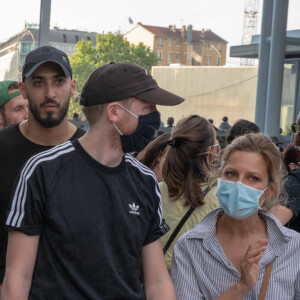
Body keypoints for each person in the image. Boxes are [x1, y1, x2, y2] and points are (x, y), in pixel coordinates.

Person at [2, 62, 184, 299]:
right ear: (114, 112)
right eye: (147, 107)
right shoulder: (42, 171)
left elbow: (157, 281)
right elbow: (18, 277)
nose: (155, 117)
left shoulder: (145, 180)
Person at [172, 133, 300, 299]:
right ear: (219, 177)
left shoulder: (293, 247)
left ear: (270, 190)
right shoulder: (189, 247)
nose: (239, 185)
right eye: (231, 174)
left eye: (253, 178)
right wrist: (242, 287)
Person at [0, 46, 85, 288]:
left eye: (59, 81)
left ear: (72, 86)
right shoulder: (2, 149)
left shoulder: (90, 152)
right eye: (38, 83)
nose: (50, 93)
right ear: (24, 89)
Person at [160, 115, 220, 270]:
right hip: (193, 285)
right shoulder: (221, 197)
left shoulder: (154, 190)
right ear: (211, 152)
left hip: (154, 281)